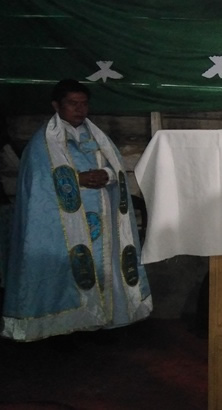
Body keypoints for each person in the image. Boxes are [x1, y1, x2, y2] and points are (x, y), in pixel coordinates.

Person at [1, 79, 152, 342]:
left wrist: (106, 175)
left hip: (100, 222)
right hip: (63, 230)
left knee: (102, 267)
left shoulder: (98, 138)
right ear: (56, 105)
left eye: (84, 104)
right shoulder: (42, 143)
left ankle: (102, 318)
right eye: (73, 104)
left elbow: (116, 169)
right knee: (67, 273)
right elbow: (38, 184)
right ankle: (64, 325)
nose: (80, 109)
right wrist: (78, 179)